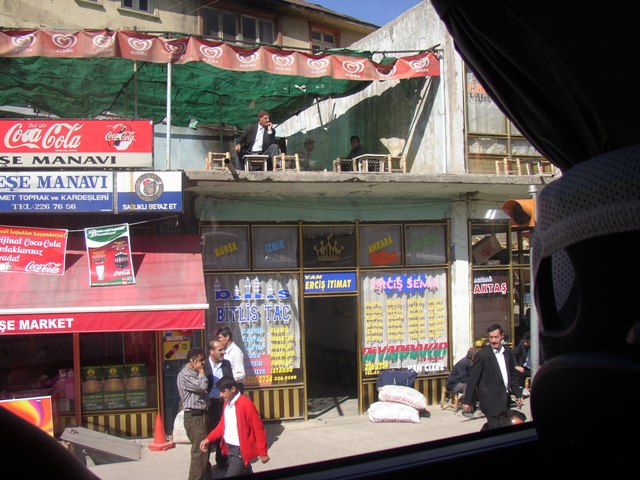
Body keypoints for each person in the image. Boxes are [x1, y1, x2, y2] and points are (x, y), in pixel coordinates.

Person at [199, 377, 270, 477]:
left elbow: (258, 429)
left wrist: (262, 452)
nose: (221, 395)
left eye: (223, 392)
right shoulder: (227, 403)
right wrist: (208, 439)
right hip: (230, 449)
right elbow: (223, 425)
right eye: (220, 392)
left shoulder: (246, 405)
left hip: (239, 451)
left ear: (233, 389)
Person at [462, 324, 524, 431]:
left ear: (502, 336)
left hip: (505, 399)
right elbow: (473, 379)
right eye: (491, 337)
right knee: (495, 428)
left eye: (496, 337)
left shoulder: (507, 352)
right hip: (490, 401)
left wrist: (518, 394)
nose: (494, 340)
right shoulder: (483, 355)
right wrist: (467, 401)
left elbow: (512, 375)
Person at [177, 347, 209, 480]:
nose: (202, 364)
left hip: (202, 414)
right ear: (192, 360)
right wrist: (201, 372)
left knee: (205, 450)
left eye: (203, 361)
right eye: (200, 361)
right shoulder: (185, 374)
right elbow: (202, 386)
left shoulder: (194, 372)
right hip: (194, 417)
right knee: (199, 452)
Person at [205, 339, 234, 472]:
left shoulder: (226, 364)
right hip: (209, 405)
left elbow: (231, 382)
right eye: (220, 350)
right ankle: (205, 464)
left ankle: (222, 461)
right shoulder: (204, 366)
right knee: (209, 434)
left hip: (223, 403)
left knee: (223, 432)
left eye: (223, 349)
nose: (223, 352)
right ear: (211, 352)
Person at [216, 326, 245, 392]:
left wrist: (227, 380)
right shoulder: (225, 351)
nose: (219, 340)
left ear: (227, 337)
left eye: (220, 337)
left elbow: (241, 374)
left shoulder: (235, 352)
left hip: (235, 388)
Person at [512, 332, 531, 396]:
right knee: (517, 373)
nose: (525, 344)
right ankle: (521, 389)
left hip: (535, 368)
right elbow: (513, 353)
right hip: (524, 367)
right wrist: (516, 365)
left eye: (527, 342)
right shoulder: (522, 343)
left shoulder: (539, 345)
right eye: (525, 342)